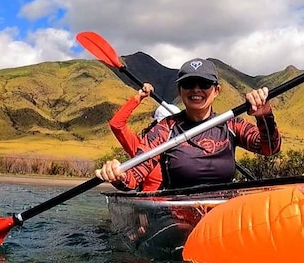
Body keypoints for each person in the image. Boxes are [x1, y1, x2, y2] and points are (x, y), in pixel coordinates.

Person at [96, 58, 281, 190]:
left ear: (216, 91)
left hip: (221, 215)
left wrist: (264, 115)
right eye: (188, 84)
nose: (196, 89)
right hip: (177, 217)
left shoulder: (231, 125)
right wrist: (118, 175)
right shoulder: (164, 130)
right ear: (179, 90)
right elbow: (134, 177)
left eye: (204, 84)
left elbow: (270, 148)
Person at [108, 82, 180, 191]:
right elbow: (116, 124)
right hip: (150, 205)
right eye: (161, 126)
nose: (164, 131)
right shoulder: (141, 148)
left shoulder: (189, 150)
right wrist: (139, 96)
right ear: (154, 127)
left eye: (170, 128)